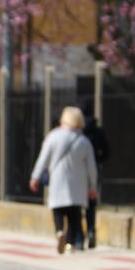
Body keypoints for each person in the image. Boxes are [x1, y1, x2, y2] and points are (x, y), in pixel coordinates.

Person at [29, 106, 97, 253]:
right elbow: (92, 167)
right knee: (74, 214)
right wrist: (92, 186)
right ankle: (70, 243)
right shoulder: (84, 141)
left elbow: (43, 159)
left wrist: (35, 177)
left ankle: (60, 231)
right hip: (78, 183)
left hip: (58, 180)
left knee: (58, 208)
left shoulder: (53, 136)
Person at [82, 111, 110, 249]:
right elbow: (107, 152)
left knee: (75, 206)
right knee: (91, 203)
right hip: (94, 171)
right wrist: (97, 160)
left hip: (78, 173)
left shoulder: (79, 131)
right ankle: (91, 229)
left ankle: (77, 238)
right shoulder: (98, 131)